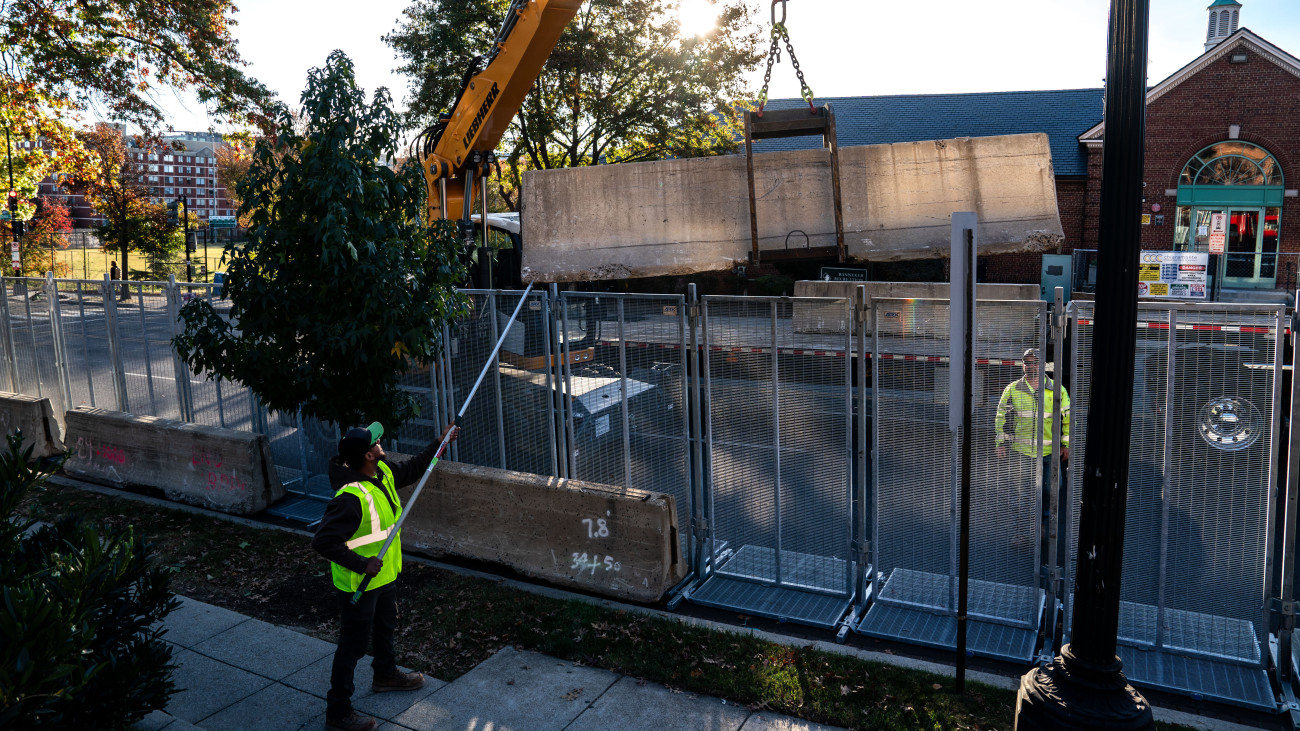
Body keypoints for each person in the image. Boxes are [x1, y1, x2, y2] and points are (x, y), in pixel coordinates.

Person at [312, 420, 458, 731]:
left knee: (385, 627)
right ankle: (337, 714)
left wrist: (440, 441)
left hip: (384, 576)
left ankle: (385, 674)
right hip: (359, 583)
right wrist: (360, 563)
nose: (382, 444)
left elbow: (415, 467)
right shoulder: (350, 497)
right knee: (351, 646)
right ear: (366, 455)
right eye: (376, 443)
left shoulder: (383, 472)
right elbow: (323, 541)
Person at [995, 348, 1070, 558]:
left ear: (1043, 365)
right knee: (1019, 497)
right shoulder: (1012, 389)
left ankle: (1044, 530)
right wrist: (1001, 443)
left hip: (1049, 454)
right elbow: (1001, 417)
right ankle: (1020, 534)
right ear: (1023, 365)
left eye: (1035, 362)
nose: (1031, 366)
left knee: (1051, 492)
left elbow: (1067, 419)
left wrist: (1066, 445)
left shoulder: (1057, 390)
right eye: (1027, 362)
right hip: (1021, 453)